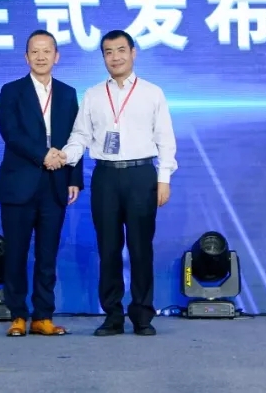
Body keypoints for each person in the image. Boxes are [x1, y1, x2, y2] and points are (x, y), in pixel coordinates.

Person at [57, 29, 177, 336]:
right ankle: (112, 315)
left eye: (121, 50)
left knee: (140, 248)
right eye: (108, 52)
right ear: (103, 58)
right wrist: (65, 155)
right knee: (108, 248)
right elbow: (81, 136)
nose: (115, 57)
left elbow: (165, 138)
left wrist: (164, 178)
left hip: (141, 175)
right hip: (106, 176)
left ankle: (142, 315)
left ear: (133, 53)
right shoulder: (93, 95)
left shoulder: (152, 93)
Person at [0, 29, 83, 337]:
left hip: (55, 183)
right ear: (26, 57)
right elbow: (11, 133)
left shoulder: (68, 93)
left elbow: (76, 138)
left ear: (56, 57)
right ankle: (17, 315)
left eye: (47, 51)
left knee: (47, 255)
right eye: (35, 51)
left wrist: (74, 177)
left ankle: (43, 316)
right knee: (16, 254)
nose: (41, 56)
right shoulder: (11, 91)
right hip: (18, 184)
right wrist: (43, 155)